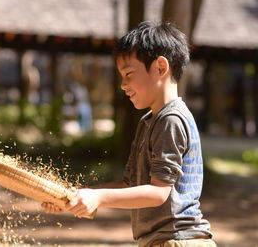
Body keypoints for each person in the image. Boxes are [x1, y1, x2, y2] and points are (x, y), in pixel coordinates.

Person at [41, 21, 216, 247]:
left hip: (178, 241)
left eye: (129, 73)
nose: (123, 85)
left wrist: (99, 198)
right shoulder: (149, 122)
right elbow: (129, 185)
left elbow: (158, 192)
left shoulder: (171, 120)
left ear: (160, 68)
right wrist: (78, 196)